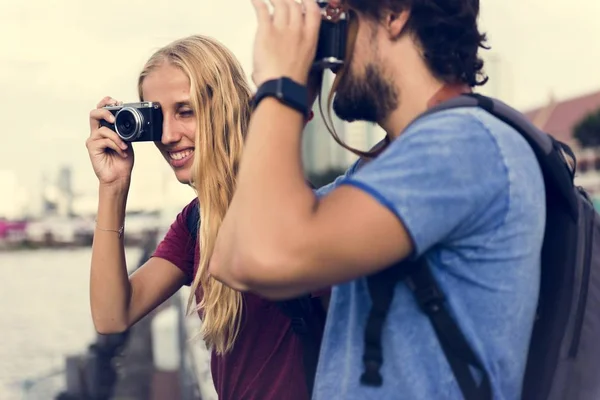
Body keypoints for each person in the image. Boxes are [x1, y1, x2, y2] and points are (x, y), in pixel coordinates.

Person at [209, 0, 546, 399]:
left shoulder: (464, 144)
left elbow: (265, 256)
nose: (324, 41)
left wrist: (280, 87)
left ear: (393, 12)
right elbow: (230, 259)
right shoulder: (382, 169)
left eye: (333, 13)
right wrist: (291, 103)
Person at [86, 34, 326, 400]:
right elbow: (111, 315)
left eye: (186, 111)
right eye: (156, 117)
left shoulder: (285, 200)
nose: (167, 136)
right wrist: (113, 187)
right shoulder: (195, 221)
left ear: (224, 107)